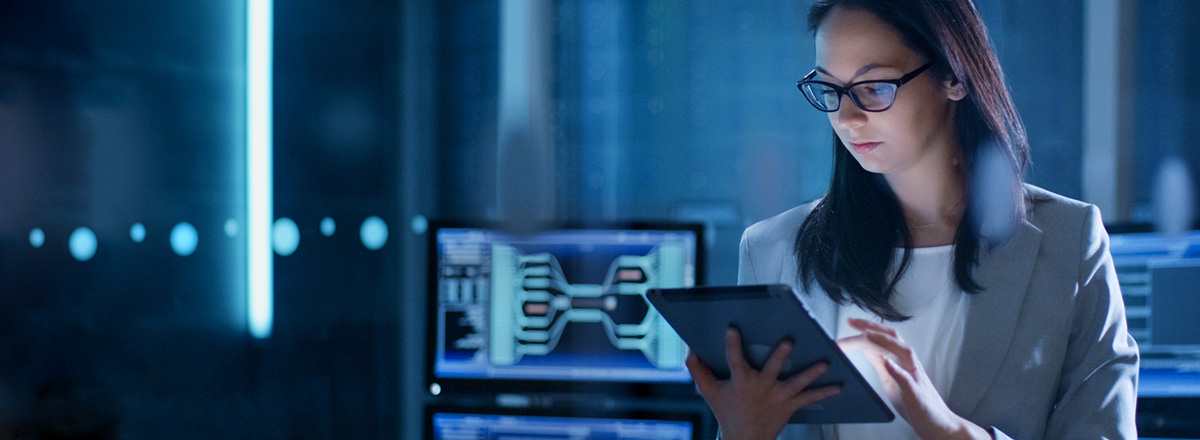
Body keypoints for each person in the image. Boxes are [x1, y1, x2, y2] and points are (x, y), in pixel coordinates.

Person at [683, 0, 1140, 439]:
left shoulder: (1068, 241)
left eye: (875, 87)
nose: (847, 118)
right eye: (830, 89)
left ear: (954, 76)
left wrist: (948, 432)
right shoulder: (772, 250)